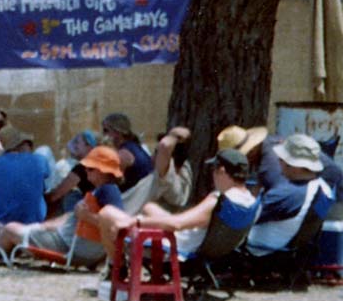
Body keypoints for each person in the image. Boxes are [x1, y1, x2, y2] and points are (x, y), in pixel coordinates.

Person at [0, 146, 125, 268]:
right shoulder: (105, 191)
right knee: (25, 229)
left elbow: (116, 228)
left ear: (102, 171)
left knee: (11, 229)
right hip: (78, 248)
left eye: (89, 169)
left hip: (71, 249)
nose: (86, 173)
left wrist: (86, 216)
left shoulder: (108, 191)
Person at [96, 148, 258, 267]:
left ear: (222, 171)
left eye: (214, 170)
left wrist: (136, 221)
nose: (212, 175)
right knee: (150, 207)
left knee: (107, 214)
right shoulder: (249, 201)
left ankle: (117, 269)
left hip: (177, 248)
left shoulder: (219, 200)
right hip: (202, 245)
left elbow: (176, 224)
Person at [246, 134, 334, 256]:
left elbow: (245, 219)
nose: (278, 163)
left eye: (281, 159)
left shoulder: (286, 194)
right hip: (289, 250)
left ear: (294, 166)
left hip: (260, 252)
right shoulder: (324, 187)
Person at [0, 125, 48, 226]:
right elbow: (44, 182)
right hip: (35, 220)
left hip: (1, 220)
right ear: (22, 144)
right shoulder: (40, 160)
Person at [45, 129, 99, 214]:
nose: (74, 146)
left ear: (89, 147)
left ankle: (69, 223)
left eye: (77, 143)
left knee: (70, 195)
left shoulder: (82, 168)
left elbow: (55, 195)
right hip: (101, 203)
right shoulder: (99, 161)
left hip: (95, 208)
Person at [100, 113, 154, 192]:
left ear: (117, 132)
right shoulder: (134, 146)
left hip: (135, 197)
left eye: (106, 130)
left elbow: (110, 181)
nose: (103, 134)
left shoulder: (124, 153)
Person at [152, 126, 193, 211]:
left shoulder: (168, 173)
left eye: (157, 151)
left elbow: (164, 145)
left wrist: (172, 137)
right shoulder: (185, 166)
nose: (152, 156)